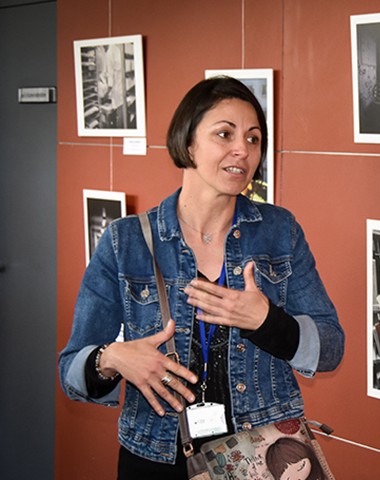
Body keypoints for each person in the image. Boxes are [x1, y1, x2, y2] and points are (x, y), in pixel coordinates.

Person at [58, 76, 344, 479]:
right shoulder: (126, 241)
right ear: (187, 142)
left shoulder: (280, 231)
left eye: (254, 139)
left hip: (261, 456)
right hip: (156, 458)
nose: (241, 151)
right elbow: (72, 372)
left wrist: (268, 323)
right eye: (224, 134)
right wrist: (112, 358)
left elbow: (331, 347)